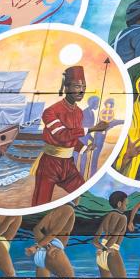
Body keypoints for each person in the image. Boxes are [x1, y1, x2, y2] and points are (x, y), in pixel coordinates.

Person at [32, 65, 119, 206]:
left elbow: (72, 138)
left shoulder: (79, 112)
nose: (82, 90)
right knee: (41, 203)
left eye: (84, 86)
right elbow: (62, 136)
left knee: (82, 193)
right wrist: (92, 129)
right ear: (66, 88)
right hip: (50, 165)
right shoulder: (50, 112)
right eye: (77, 86)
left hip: (68, 164)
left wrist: (84, 148)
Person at [94, 191, 140, 279]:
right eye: (126, 204)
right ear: (119, 204)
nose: (126, 207)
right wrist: (107, 250)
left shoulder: (107, 216)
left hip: (100, 255)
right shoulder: (123, 217)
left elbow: (95, 241)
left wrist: (102, 249)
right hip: (112, 252)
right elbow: (115, 236)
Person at [29, 203, 76, 278]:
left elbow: (36, 229)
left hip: (41, 254)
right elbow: (54, 232)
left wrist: (43, 245)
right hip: (54, 251)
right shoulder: (68, 209)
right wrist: (37, 247)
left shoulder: (51, 213)